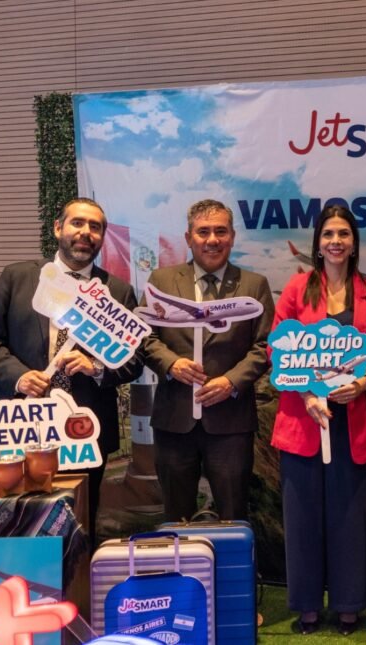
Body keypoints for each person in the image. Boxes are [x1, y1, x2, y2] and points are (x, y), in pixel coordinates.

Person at [0, 197, 144, 539]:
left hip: (85, 429)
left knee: (80, 522)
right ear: (58, 228)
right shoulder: (18, 277)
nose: (86, 233)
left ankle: (78, 590)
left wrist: (96, 367)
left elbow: (135, 361)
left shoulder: (118, 291)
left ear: (102, 237)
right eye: (78, 223)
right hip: (19, 425)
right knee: (17, 520)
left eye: (95, 227)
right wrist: (17, 376)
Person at [270, 205, 366, 635]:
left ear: (353, 242)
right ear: (316, 244)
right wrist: (306, 394)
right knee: (301, 516)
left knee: (348, 516)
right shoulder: (298, 288)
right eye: (328, 234)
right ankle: (305, 606)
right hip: (304, 420)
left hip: (350, 418)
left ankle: (348, 604)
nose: (336, 241)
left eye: (343, 233)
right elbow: (277, 347)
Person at [143, 198, 274, 521]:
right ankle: (183, 571)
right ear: (188, 238)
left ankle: (235, 572)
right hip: (174, 420)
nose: (212, 239)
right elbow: (143, 337)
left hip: (230, 422)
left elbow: (265, 346)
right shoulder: (161, 282)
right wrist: (170, 364)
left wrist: (232, 381)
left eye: (220, 231)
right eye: (203, 232)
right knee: (175, 516)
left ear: (232, 236)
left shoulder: (253, 285)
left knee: (233, 513)